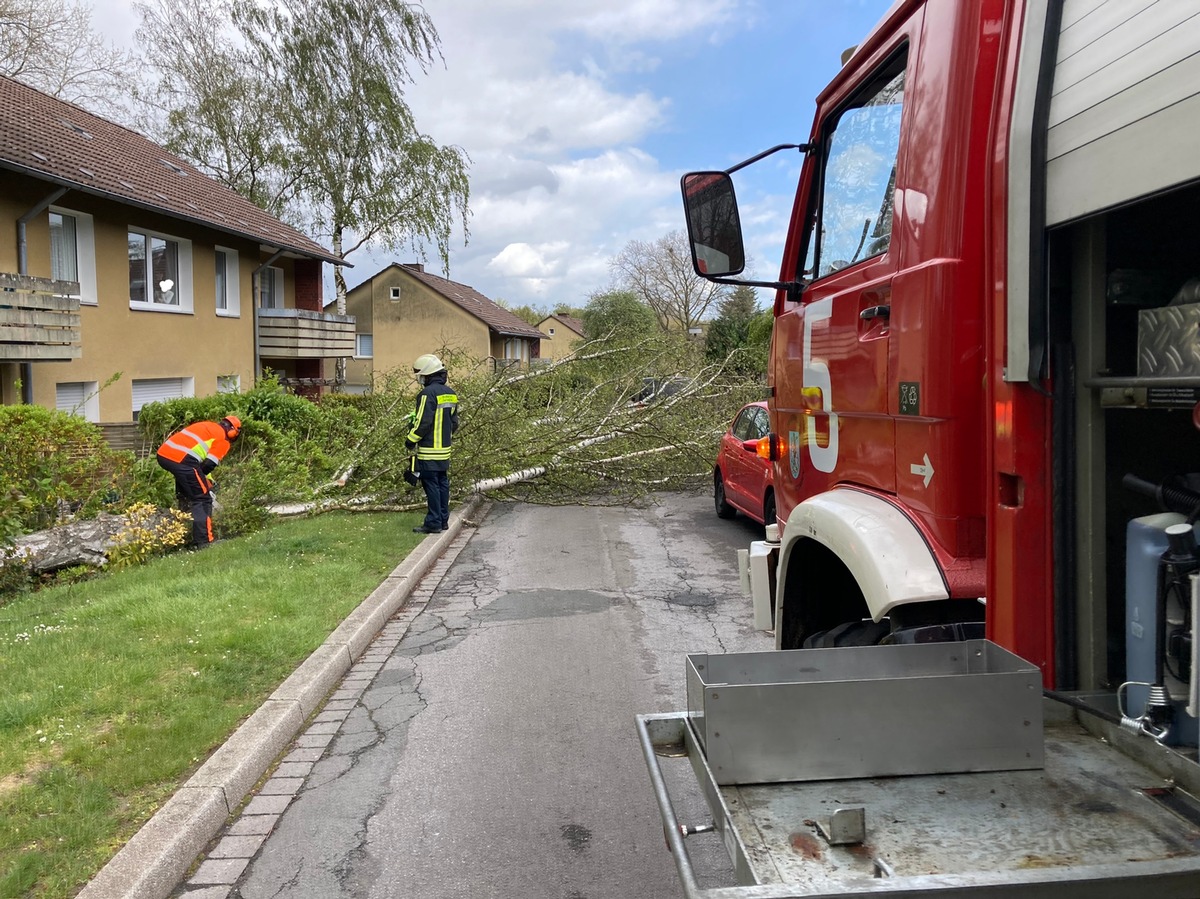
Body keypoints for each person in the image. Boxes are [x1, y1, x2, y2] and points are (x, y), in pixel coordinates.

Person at [155, 416, 242, 546]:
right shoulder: (223, 440)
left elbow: (200, 463)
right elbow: (209, 464)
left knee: (186, 495)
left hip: (164, 455)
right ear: (233, 431)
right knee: (202, 499)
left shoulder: (207, 425)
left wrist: (204, 479)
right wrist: (205, 483)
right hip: (183, 461)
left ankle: (182, 533)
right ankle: (204, 541)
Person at [406, 354, 458, 534]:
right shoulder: (450, 394)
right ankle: (443, 520)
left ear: (427, 374)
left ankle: (433, 522)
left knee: (431, 486)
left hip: (429, 450)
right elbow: (454, 423)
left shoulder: (426, 394)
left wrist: (410, 439)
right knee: (442, 483)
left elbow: (423, 422)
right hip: (444, 449)